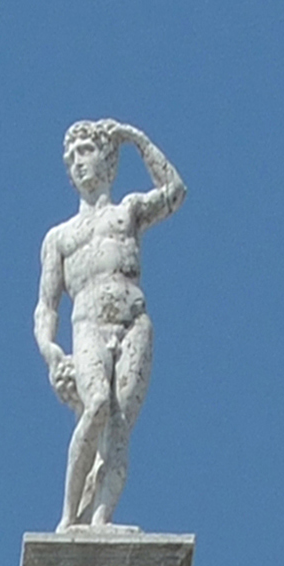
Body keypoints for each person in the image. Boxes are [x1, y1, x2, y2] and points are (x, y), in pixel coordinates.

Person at [35, 120, 184, 530]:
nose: (76, 163)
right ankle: (69, 518)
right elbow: (46, 307)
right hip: (88, 324)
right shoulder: (61, 237)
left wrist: (138, 140)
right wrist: (51, 351)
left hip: (134, 322)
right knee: (97, 403)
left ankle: (100, 518)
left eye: (85, 151)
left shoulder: (129, 212)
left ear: (107, 158)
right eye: (71, 157)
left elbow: (175, 191)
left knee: (118, 424)